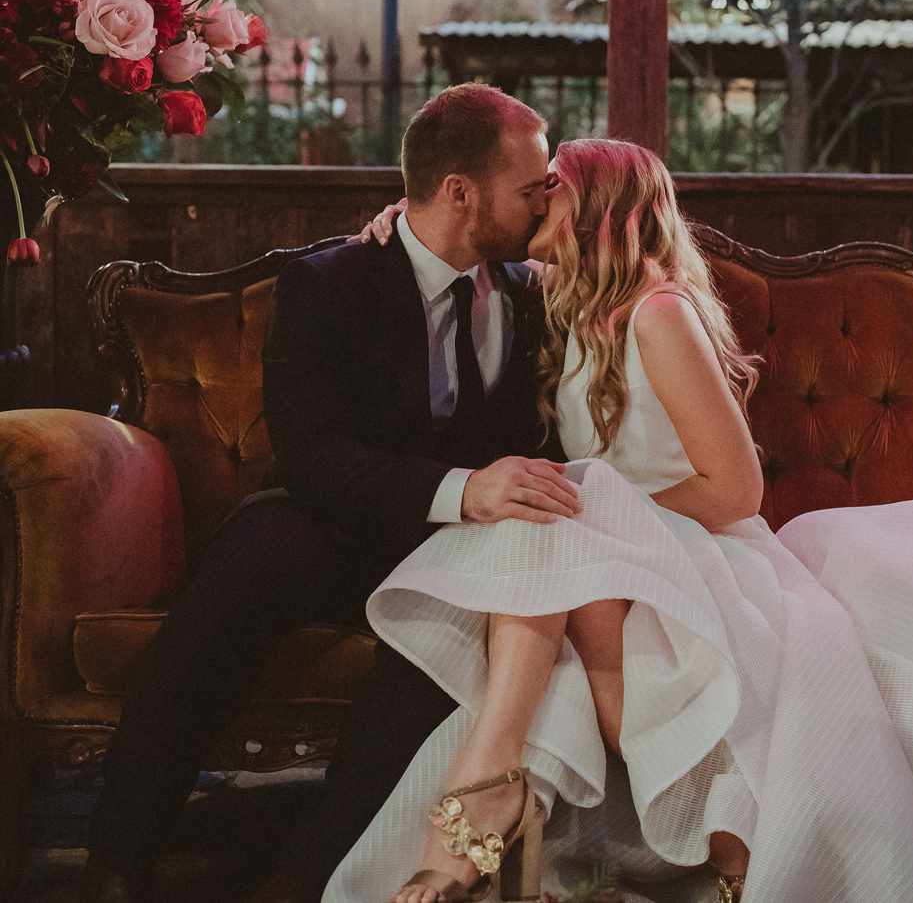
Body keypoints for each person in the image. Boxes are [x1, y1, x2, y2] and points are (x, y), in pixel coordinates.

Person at [327, 138, 913, 903]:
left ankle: (551, 818)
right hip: (621, 553)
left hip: (704, 542)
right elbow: (447, 245)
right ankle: (591, 818)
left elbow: (736, 489)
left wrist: (610, 514)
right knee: (549, 541)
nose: (536, 199)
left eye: (551, 186)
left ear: (597, 203)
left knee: (558, 539)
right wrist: (396, 222)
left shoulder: (657, 314)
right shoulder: (559, 304)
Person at [79, 85, 567, 903]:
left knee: (429, 665)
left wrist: (478, 506)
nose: (544, 204)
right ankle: (116, 864)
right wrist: (462, 488)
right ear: (459, 193)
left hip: (458, 558)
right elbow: (310, 456)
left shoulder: (529, 291)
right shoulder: (330, 283)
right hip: (333, 523)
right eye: (530, 189)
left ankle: (303, 884)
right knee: (249, 566)